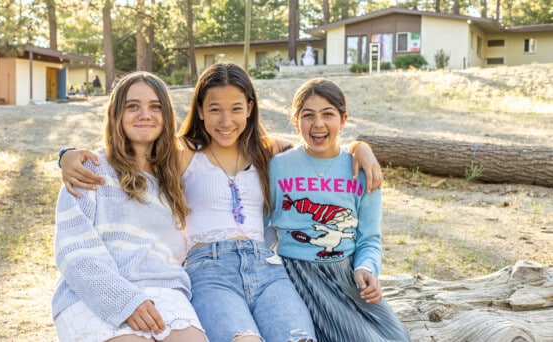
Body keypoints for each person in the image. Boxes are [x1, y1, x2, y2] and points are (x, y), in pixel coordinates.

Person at [59, 63, 383, 342]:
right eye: (215, 109)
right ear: (200, 111)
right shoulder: (183, 152)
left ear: (250, 108)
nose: (226, 121)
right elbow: (136, 142)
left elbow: (317, 143)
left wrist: (359, 147)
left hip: (267, 268)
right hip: (209, 268)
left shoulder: (268, 152)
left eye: (236, 109)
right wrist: (67, 156)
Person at [51, 71, 207, 342]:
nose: (145, 114)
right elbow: (73, 250)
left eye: (155, 106)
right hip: (93, 293)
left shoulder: (174, 177)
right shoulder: (90, 169)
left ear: (166, 116)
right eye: (132, 106)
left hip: (165, 290)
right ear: (115, 113)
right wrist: (124, 300)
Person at [268, 78, 410, 341]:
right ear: (295, 121)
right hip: (296, 274)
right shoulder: (277, 167)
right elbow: (264, 225)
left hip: (347, 275)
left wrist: (366, 268)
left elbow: (369, 238)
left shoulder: (363, 171)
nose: (318, 124)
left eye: (328, 115)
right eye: (308, 115)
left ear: (343, 120)